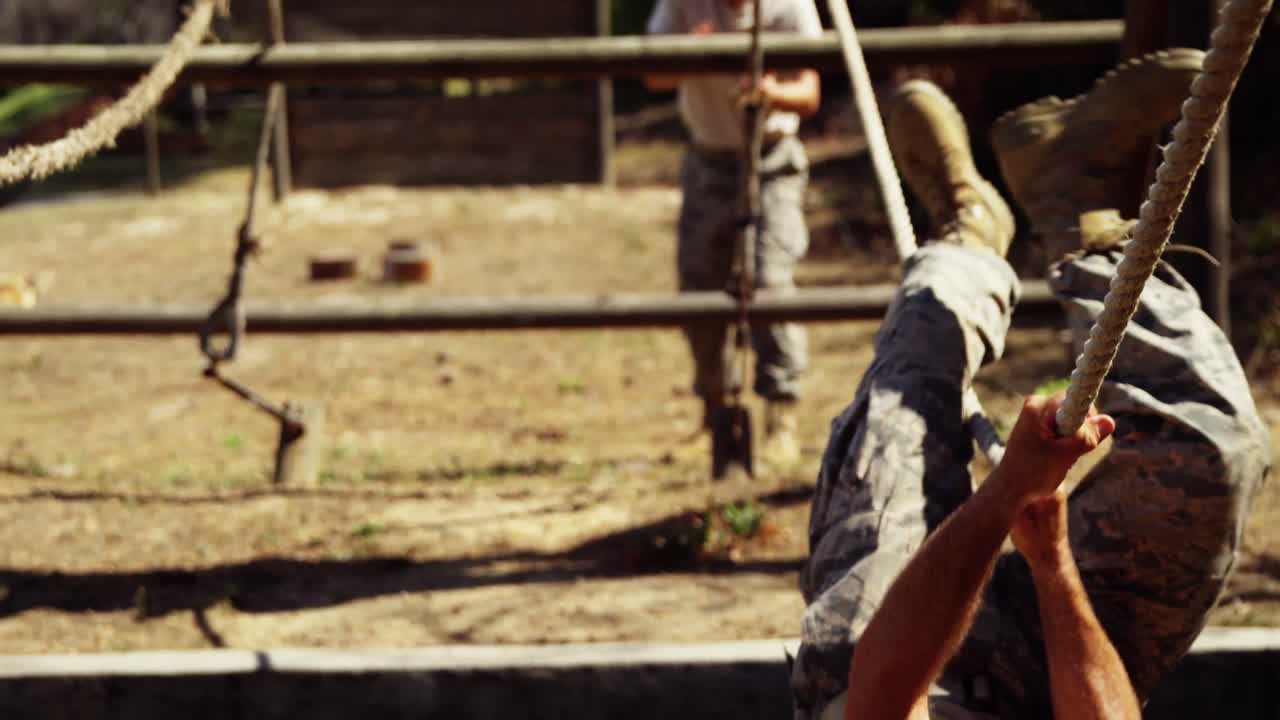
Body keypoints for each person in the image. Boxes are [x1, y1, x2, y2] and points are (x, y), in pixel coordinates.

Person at [791, 49, 1273, 719]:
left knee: (908, 404)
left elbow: (884, 693)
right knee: (1210, 447)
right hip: (1038, 687)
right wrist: (1054, 567)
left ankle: (967, 236)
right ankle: (1074, 204)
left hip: (880, 677)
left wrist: (1008, 491)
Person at [644, 0, 823, 467]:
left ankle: (781, 417)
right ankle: (715, 412)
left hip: (772, 160)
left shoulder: (791, 6)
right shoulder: (681, 4)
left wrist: (770, 92)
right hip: (708, 160)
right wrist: (694, 53)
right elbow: (652, 72)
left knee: (770, 281)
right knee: (700, 286)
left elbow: (809, 91)